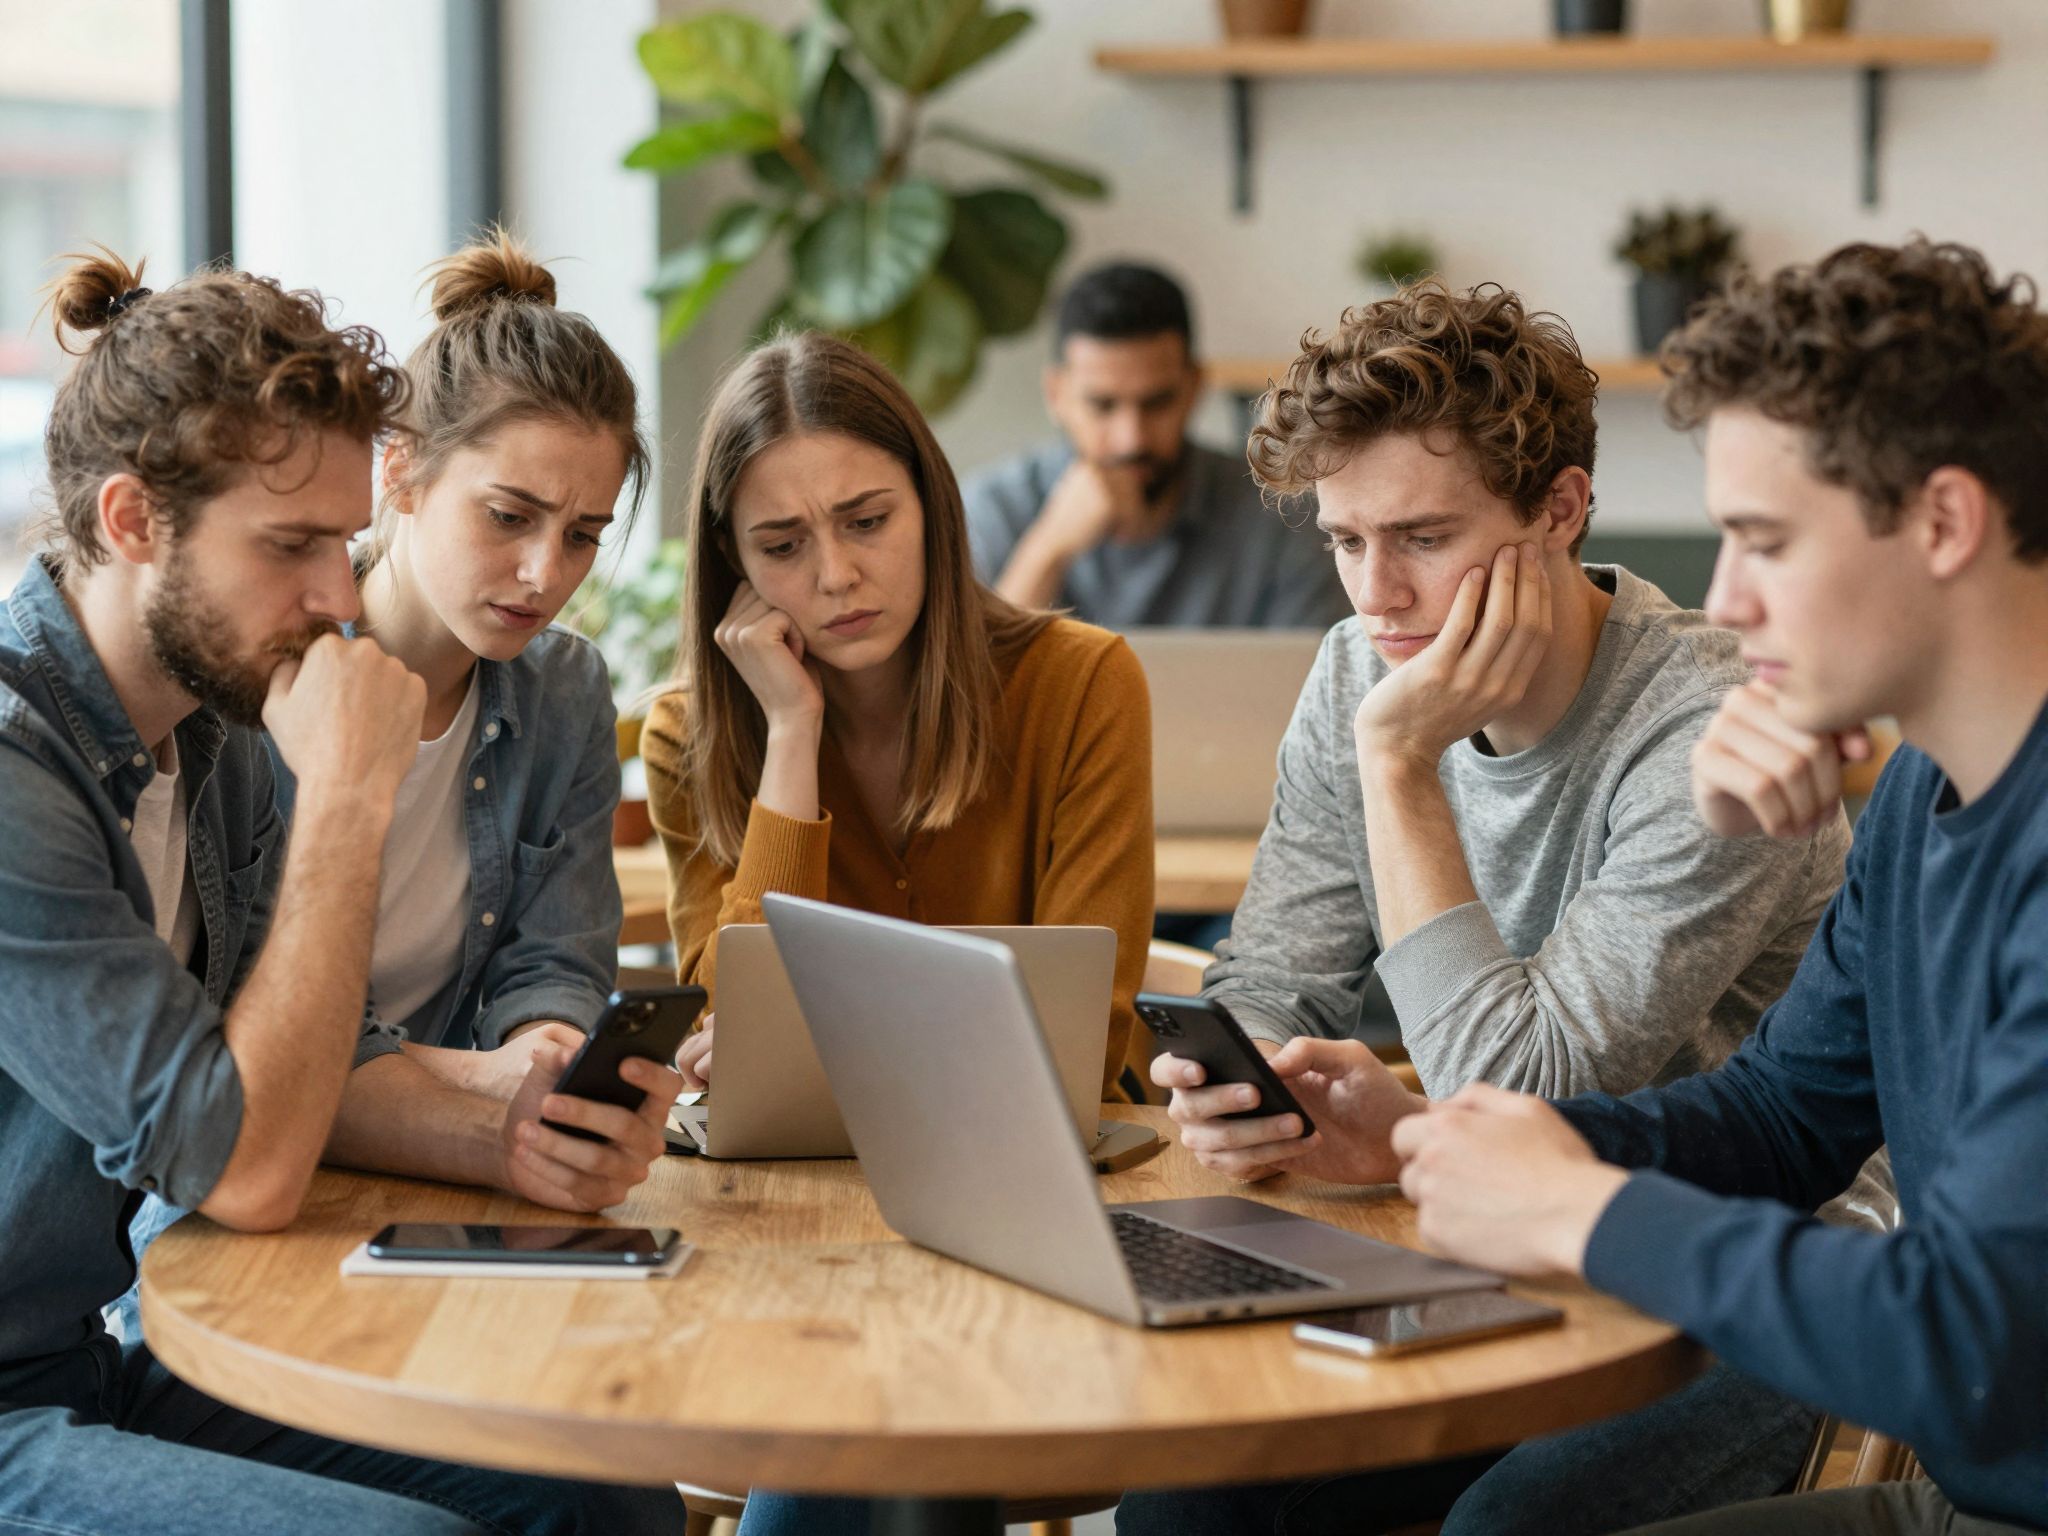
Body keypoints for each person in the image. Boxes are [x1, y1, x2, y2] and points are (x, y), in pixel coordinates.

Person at [1122, 281, 1888, 1536]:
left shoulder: (1704, 725)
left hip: (1743, 1263)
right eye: (1343, 541)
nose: (1376, 597)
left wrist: (1399, 764)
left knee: (1507, 1528)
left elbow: (1523, 1089)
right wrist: (1239, 1085)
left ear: (1559, 511)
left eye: (1421, 537)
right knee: (1190, 1501)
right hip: (1485, 1228)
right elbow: (1268, 982)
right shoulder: (1355, 670)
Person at [0, 251, 685, 1535]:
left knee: (601, 1491)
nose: (334, 596)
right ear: (132, 520)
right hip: (14, 1405)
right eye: (294, 545)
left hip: (86, 1361)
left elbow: (297, 1061)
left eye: (341, 538)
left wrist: (507, 1113)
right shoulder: (14, 773)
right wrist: (351, 801)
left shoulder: (207, 735)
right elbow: (245, 1168)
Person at [1379, 240, 2048, 1536]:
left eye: (1764, 542)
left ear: (1946, 521)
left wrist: (1587, 1212)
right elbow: (1786, 1117)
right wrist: (1502, 1149)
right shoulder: (1921, 797)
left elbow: (1966, 1348)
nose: (1727, 603)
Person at [642, 330, 1154, 1108]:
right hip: (789, 1180)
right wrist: (790, 733)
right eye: (782, 545)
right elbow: (734, 1042)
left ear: (929, 504)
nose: (837, 576)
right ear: (733, 561)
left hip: (1041, 1155)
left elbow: (1080, 1039)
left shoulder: (1082, 683)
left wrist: (817, 1045)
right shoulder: (689, 735)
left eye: (868, 522)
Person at [962, 261, 1349, 630]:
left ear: (1194, 388)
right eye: (1103, 405)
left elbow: (1317, 685)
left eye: (1157, 402)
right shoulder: (991, 510)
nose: (1132, 437)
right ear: (1056, 395)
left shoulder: (1283, 516)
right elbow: (971, 684)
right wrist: (1048, 549)